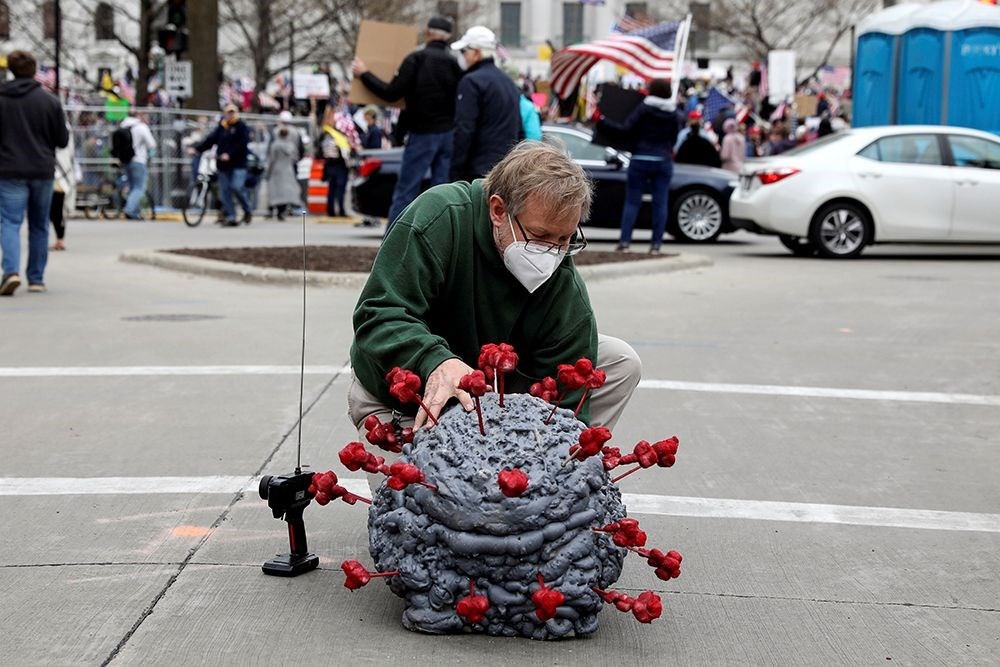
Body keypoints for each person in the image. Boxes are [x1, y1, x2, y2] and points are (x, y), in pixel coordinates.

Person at [348, 141, 642, 471]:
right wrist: (436, 362)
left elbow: (570, 408)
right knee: (421, 512)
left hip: (499, 393)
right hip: (406, 396)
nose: (552, 254)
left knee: (619, 360)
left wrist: (555, 467)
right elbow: (377, 315)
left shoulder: (564, 288)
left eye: (564, 240)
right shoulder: (441, 218)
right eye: (539, 236)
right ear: (498, 210)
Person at [351, 16, 462, 231]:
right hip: (448, 134)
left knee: (406, 191)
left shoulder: (416, 59)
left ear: (428, 33)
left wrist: (365, 74)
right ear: (448, 38)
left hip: (422, 133)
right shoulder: (455, 65)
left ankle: (393, 241)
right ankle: (439, 239)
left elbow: (391, 93)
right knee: (442, 193)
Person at [0, 50, 69, 296]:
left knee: (9, 221)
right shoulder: (50, 102)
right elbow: (62, 140)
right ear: (34, 71)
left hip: (9, 170)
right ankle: (36, 278)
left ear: (11, 69)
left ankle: (10, 272)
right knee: (39, 225)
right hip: (42, 169)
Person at [596, 78, 679, 254]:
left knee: (632, 202)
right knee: (660, 203)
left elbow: (625, 129)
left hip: (641, 158)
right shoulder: (674, 113)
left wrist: (602, 120)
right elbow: (674, 139)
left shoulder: (643, 108)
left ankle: (625, 242)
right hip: (663, 160)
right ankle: (656, 245)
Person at [449, 26, 524, 182]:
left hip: (478, 171)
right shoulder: (508, 82)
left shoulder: (471, 82)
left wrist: (455, 171)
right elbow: (519, 130)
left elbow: (464, 129)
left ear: (477, 52)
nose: (462, 56)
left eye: (464, 51)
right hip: (505, 170)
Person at [193, 104, 252, 226]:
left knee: (236, 187)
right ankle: (231, 216)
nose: (230, 115)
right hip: (223, 165)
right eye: (228, 112)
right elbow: (210, 140)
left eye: (232, 112)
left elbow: (242, 144)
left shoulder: (241, 127)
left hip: (238, 164)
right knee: (224, 191)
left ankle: (247, 209)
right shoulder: (222, 127)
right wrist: (197, 149)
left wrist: (230, 154)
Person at [119, 110, 156, 220]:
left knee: (132, 187)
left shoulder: (122, 126)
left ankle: (135, 212)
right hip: (139, 159)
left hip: (126, 160)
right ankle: (129, 210)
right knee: (139, 187)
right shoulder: (141, 127)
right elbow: (152, 144)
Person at [318, 107, 351, 218]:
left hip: (333, 165)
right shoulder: (333, 135)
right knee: (338, 189)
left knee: (333, 189)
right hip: (338, 165)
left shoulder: (328, 134)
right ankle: (338, 210)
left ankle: (333, 210)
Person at [266, 123, 303, 220]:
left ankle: (272, 209)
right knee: (286, 191)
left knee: (275, 191)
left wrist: (268, 171)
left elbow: (272, 159)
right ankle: (282, 211)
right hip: (288, 169)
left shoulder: (275, 145)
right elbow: (296, 157)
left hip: (276, 169)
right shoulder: (291, 146)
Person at [50, 125, 77, 251]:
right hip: (61, 170)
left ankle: (59, 239)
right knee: (58, 208)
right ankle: (59, 239)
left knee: (56, 208)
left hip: (55, 171)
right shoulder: (65, 126)